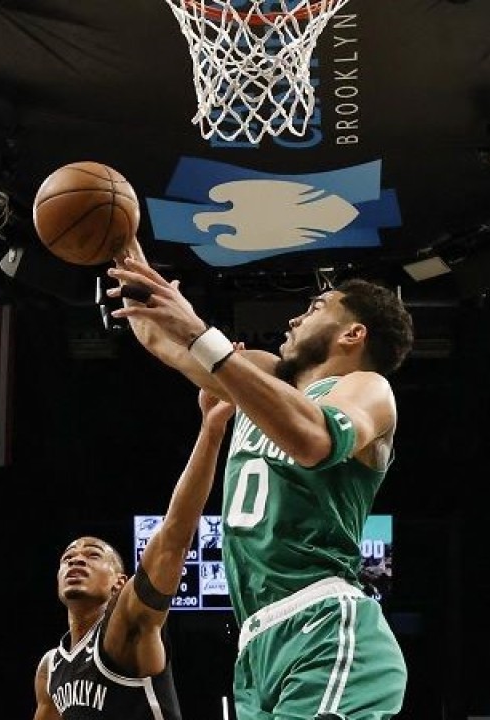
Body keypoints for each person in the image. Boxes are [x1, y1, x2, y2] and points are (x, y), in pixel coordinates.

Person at [106, 239, 414, 719]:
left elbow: (314, 439)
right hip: (256, 645)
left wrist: (203, 336)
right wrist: (125, 250)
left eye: (315, 307)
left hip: (324, 622)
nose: (294, 319)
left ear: (353, 334)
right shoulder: (263, 376)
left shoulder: (368, 388)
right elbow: (158, 338)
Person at [31, 388, 235, 720]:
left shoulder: (125, 622)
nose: (76, 560)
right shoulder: (50, 668)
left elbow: (174, 537)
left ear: (119, 583)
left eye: (93, 555)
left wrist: (211, 431)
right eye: (68, 557)